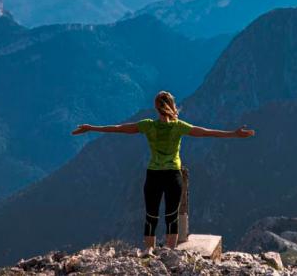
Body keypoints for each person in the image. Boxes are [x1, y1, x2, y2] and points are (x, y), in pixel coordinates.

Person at [71, 90, 255, 255]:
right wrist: (234, 134)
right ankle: (169, 251)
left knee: (151, 214)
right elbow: (207, 132)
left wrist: (91, 127)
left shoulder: (148, 125)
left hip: (154, 174)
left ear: (156, 107)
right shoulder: (179, 126)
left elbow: (119, 129)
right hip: (173, 174)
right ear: (172, 106)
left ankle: (149, 250)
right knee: (171, 215)